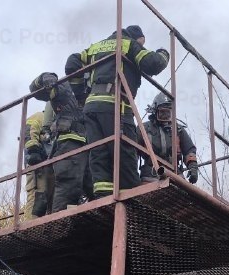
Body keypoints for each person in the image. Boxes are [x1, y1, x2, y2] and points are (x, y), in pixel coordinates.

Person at [66, 25, 169, 197]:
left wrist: (81, 95)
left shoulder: (96, 46)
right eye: (142, 43)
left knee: (99, 154)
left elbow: (71, 63)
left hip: (91, 108)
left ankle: (104, 199)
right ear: (137, 38)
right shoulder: (127, 43)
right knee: (125, 153)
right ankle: (131, 201)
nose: (142, 45)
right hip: (116, 106)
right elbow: (153, 64)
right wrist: (164, 54)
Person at [28, 72, 88, 212]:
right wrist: (45, 78)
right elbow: (34, 90)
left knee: (82, 190)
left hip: (88, 148)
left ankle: (72, 221)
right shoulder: (63, 87)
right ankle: (59, 225)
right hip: (68, 144)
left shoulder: (93, 91)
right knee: (67, 188)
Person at [136, 92, 198, 183]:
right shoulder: (143, 128)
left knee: (186, 194)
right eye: (162, 113)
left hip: (175, 176)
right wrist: (132, 175)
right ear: (155, 111)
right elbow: (132, 151)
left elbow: (189, 150)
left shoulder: (178, 130)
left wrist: (193, 168)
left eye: (168, 113)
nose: (165, 116)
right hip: (150, 177)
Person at [22, 109, 55, 219]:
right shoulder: (40, 116)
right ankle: (29, 227)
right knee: (37, 196)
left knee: (49, 197)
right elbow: (28, 132)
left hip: (49, 165)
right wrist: (34, 151)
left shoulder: (54, 121)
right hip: (37, 165)